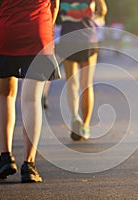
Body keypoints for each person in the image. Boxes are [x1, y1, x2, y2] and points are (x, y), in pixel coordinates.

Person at [0, 0, 60, 182]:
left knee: (4, 94)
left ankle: (5, 157)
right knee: (32, 100)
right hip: (39, 33)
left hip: (9, 33)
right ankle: (29, 165)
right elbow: (54, 5)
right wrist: (47, 28)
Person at [58, 0, 107, 141]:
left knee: (72, 83)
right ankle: (85, 126)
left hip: (67, 39)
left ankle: (75, 116)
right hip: (88, 39)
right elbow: (102, 10)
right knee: (87, 85)